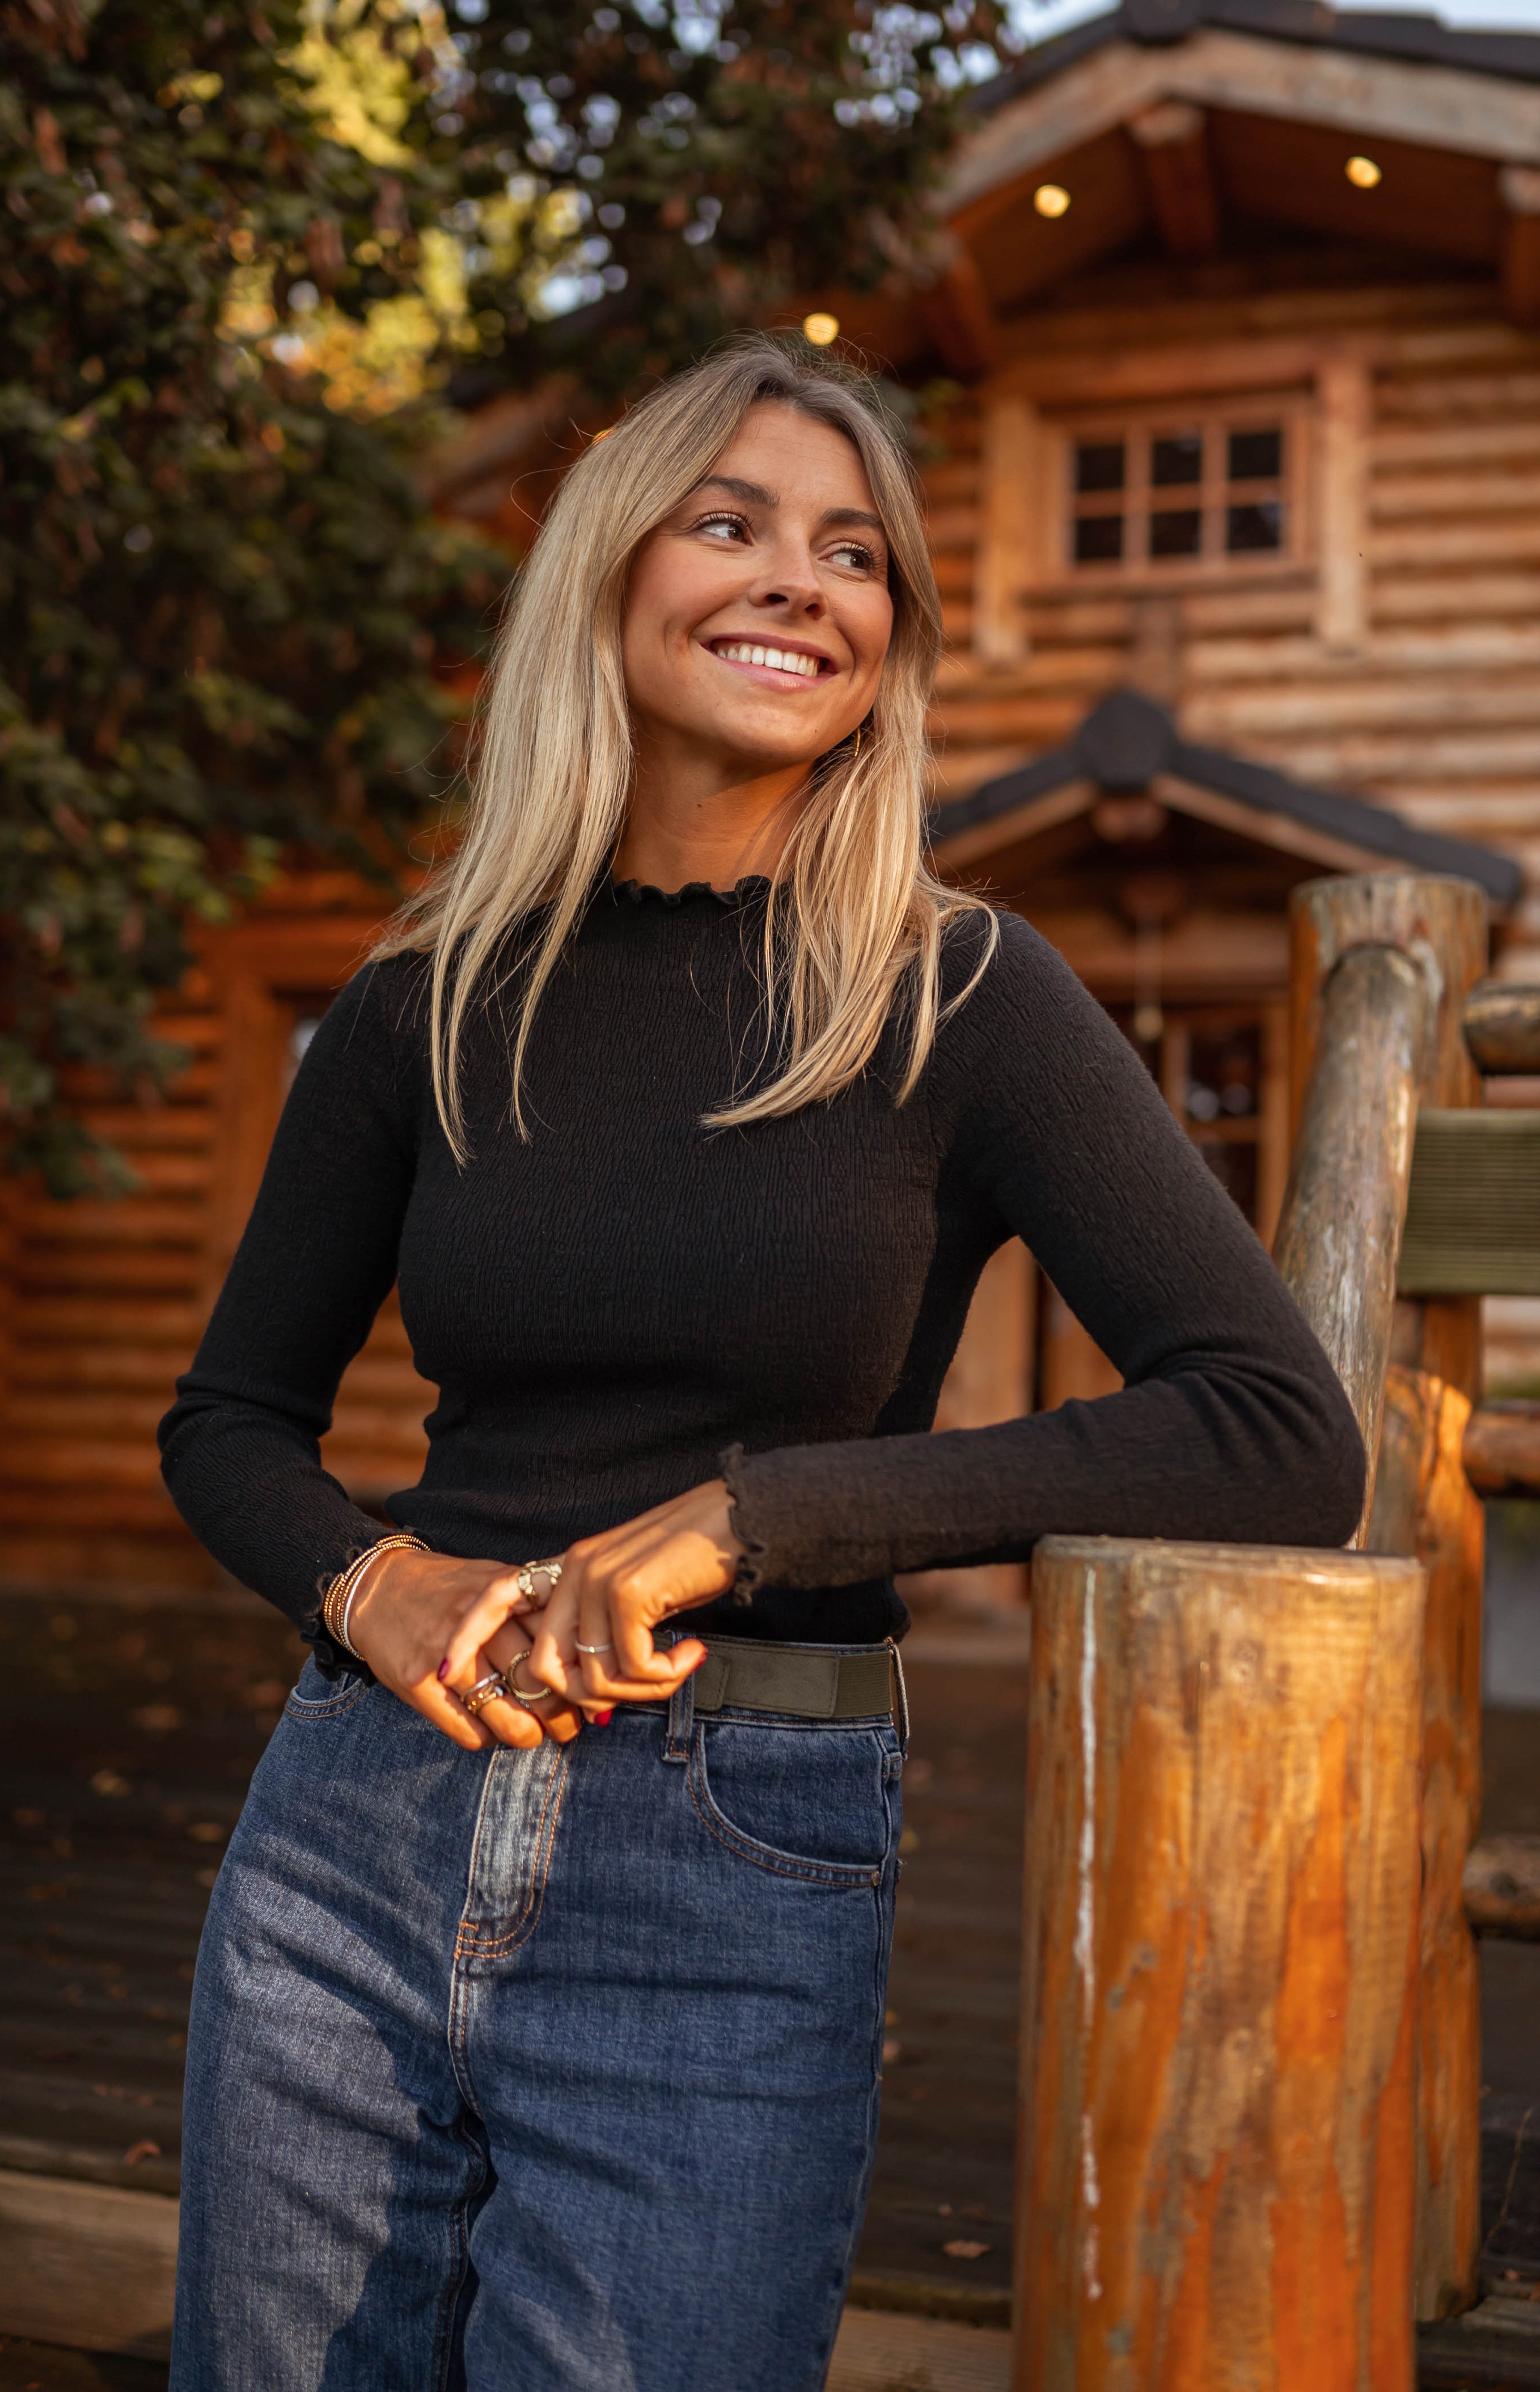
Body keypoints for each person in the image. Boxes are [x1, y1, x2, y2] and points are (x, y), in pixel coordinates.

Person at [159, 335, 1364, 2391]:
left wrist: (758, 1513)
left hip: (734, 1853)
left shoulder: (959, 991)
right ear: (610, 582)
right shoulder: (422, 1002)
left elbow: (1274, 1433)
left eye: (851, 553)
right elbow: (229, 1424)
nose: (800, 579)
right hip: (352, 1833)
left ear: (887, 643)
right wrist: (377, 1583)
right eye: (729, 524)